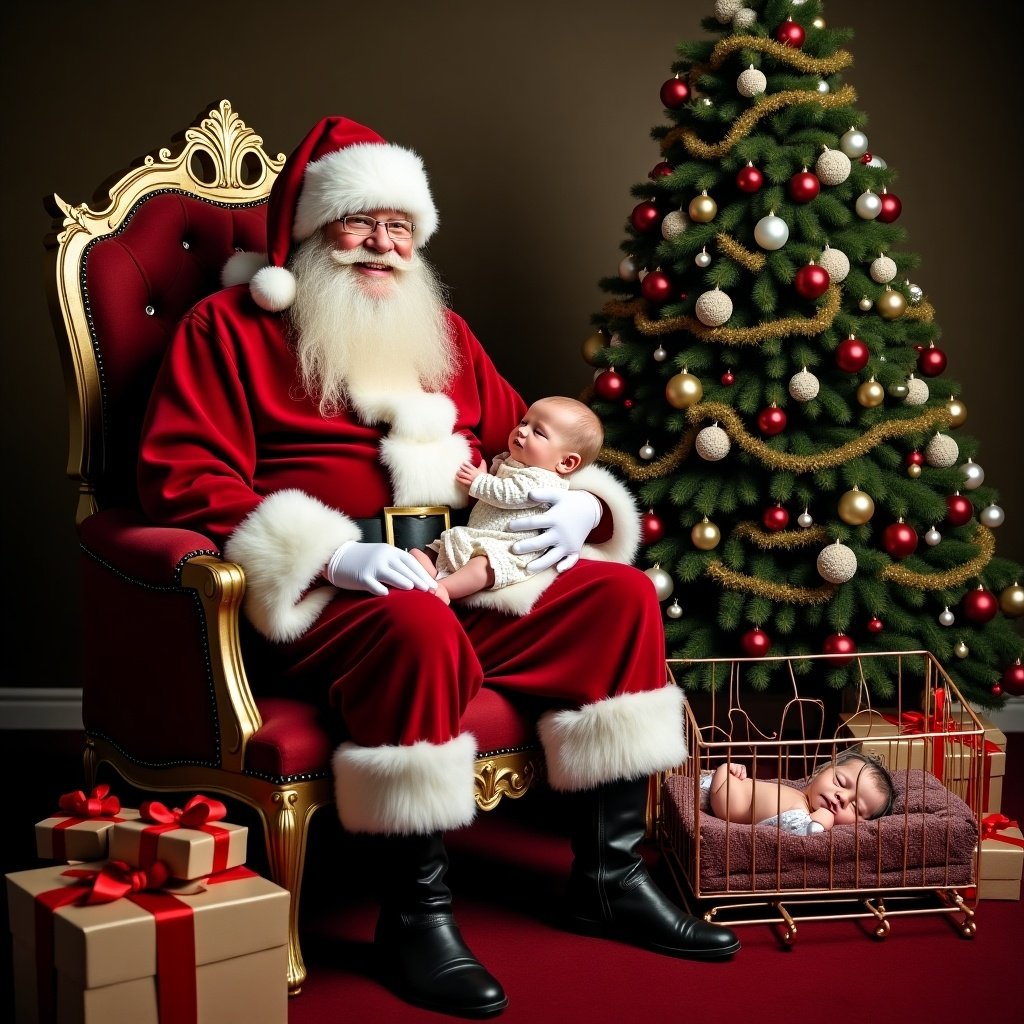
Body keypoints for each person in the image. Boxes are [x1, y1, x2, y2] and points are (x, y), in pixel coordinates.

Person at [137, 115, 739, 1019]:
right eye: (360, 222)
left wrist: (585, 504)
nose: (381, 245)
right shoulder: (226, 330)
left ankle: (608, 879)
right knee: (414, 623)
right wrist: (333, 554)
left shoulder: (442, 332)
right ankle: (414, 916)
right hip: (333, 602)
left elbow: (527, 439)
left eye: (399, 228)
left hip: (465, 573)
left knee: (617, 596)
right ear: (310, 229)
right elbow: (180, 477)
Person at [411, 396, 604, 604]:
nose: (522, 430)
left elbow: (511, 493)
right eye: (523, 422)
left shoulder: (543, 478)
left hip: (508, 546)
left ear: (566, 462)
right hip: (478, 534)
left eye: (538, 432)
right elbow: (501, 480)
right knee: (423, 552)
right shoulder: (515, 461)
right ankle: (428, 579)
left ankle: (444, 588)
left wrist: (480, 482)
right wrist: (487, 475)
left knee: (485, 566)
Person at [703, 748, 896, 836]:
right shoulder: (798, 795)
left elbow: (802, 831)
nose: (842, 797)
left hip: (722, 797)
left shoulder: (802, 816)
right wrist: (732, 770)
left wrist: (822, 821)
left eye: (855, 807)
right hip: (716, 785)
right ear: (823, 769)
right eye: (839, 781)